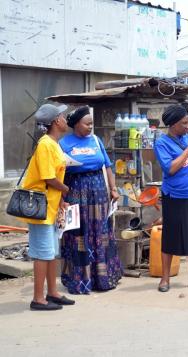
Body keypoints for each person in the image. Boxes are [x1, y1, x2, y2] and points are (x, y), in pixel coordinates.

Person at [59, 106, 122, 294]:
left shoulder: (96, 140)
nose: (90, 127)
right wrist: (62, 198)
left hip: (99, 192)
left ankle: (103, 278)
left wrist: (113, 188)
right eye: (87, 124)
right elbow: (59, 172)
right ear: (76, 124)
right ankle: (80, 279)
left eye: (91, 124)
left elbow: (108, 166)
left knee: (101, 232)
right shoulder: (63, 143)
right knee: (79, 234)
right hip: (75, 191)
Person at [20, 103, 75, 310]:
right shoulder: (45, 144)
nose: (65, 118)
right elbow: (48, 177)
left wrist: (61, 199)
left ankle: (52, 292)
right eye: (62, 116)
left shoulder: (53, 143)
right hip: (40, 209)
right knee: (43, 253)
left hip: (50, 207)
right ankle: (38, 298)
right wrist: (65, 189)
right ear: (56, 121)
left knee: (51, 252)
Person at [153, 104, 188, 292]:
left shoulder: (187, 137)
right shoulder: (162, 143)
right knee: (170, 237)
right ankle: (165, 279)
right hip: (174, 195)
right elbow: (171, 168)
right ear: (173, 124)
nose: (187, 126)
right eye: (184, 123)